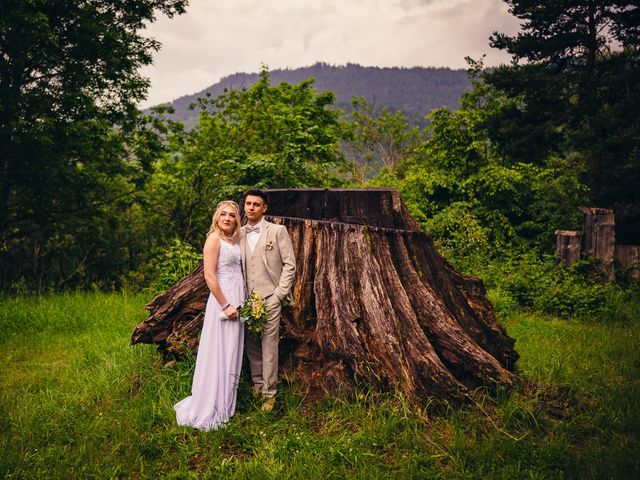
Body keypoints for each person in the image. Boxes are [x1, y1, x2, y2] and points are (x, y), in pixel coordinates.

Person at [174, 200, 246, 430]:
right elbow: (209, 276)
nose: (227, 218)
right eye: (223, 214)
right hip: (223, 301)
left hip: (238, 299)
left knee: (232, 351)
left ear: (236, 220)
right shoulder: (213, 240)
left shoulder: (235, 240)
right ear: (217, 217)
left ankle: (226, 403)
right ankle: (211, 405)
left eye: (232, 215)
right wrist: (226, 305)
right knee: (219, 351)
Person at [240, 189, 296, 412]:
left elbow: (290, 265)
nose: (251, 207)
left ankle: (270, 394)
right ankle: (257, 384)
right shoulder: (239, 232)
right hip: (246, 300)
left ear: (264, 208)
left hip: (270, 298)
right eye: (248, 203)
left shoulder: (277, 231)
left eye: (256, 204)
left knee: (269, 346)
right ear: (244, 207)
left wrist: (278, 296)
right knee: (251, 345)